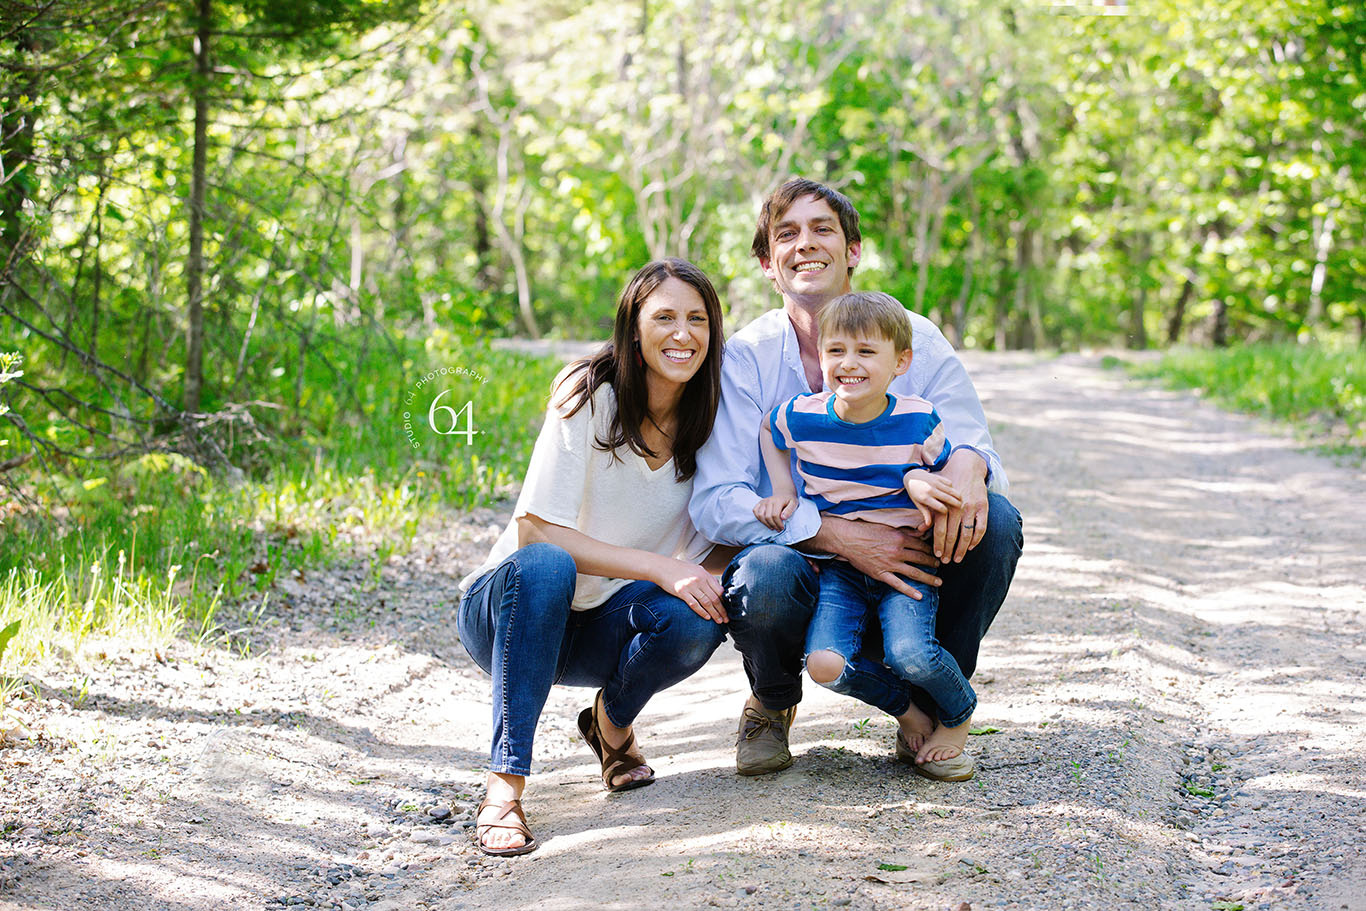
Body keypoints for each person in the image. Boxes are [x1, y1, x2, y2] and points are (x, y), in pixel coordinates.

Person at [690, 177, 1023, 781]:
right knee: (761, 571)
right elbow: (718, 502)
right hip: (807, 560)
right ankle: (771, 702)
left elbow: (974, 447)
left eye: (823, 229)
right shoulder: (747, 357)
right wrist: (834, 534)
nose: (805, 244)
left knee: (994, 522)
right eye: (786, 234)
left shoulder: (912, 336)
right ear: (768, 263)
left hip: (909, 545)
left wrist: (965, 469)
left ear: (854, 251)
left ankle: (934, 699)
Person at [457, 258, 731, 856]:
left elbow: (726, 532)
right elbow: (536, 535)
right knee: (550, 565)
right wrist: (663, 566)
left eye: (697, 318)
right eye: (664, 317)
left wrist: (706, 575)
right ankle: (504, 787)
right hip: (510, 607)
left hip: (601, 625)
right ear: (633, 328)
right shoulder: (586, 391)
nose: (682, 334)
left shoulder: (715, 418)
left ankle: (611, 723)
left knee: (697, 613)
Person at [752, 291, 977, 777]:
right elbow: (770, 431)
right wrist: (784, 489)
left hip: (907, 560)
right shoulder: (802, 414)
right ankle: (907, 712)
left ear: (901, 361)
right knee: (825, 665)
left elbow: (944, 472)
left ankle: (958, 716)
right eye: (836, 351)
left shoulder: (918, 417)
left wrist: (917, 480)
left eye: (865, 352)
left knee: (911, 653)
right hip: (841, 569)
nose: (848, 364)